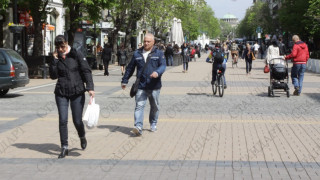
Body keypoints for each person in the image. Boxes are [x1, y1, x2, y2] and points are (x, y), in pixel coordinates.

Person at [49, 35, 95, 158]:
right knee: (63, 120)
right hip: (61, 92)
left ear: (67, 43)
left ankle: (82, 135)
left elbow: (86, 70)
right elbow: (53, 76)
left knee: (77, 120)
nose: (60, 49)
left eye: (62, 46)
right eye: (58, 47)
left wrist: (90, 87)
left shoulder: (76, 54)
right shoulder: (56, 57)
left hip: (77, 91)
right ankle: (64, 147)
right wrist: (54, 60)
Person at [121, 33, 166, 136]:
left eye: (148, 41)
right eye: (145, 41)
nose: (146, 43)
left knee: (154, 106)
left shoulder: (159, 53)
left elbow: (163, 66)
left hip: (154, 86)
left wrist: (157, 72)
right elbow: (130, 68)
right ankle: (138, 126)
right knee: (139, 106)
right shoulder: (137, 53)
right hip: (141, 85)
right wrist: (125, 80)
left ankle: (153, 123)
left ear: (153, 42)